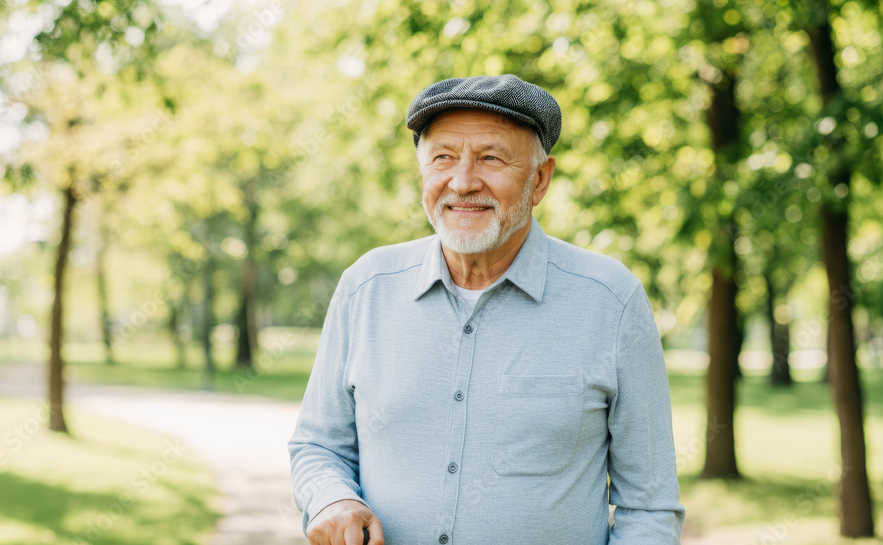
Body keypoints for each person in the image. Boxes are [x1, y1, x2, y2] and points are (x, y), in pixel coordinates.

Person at [287, 74, 685, 545]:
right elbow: (318, 444)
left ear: (540, 179)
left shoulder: (611, 301)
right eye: (443, 158)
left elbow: (650, 506)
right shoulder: (365, 288)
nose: (462, 182)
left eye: (490, 158)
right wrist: (331, 498)